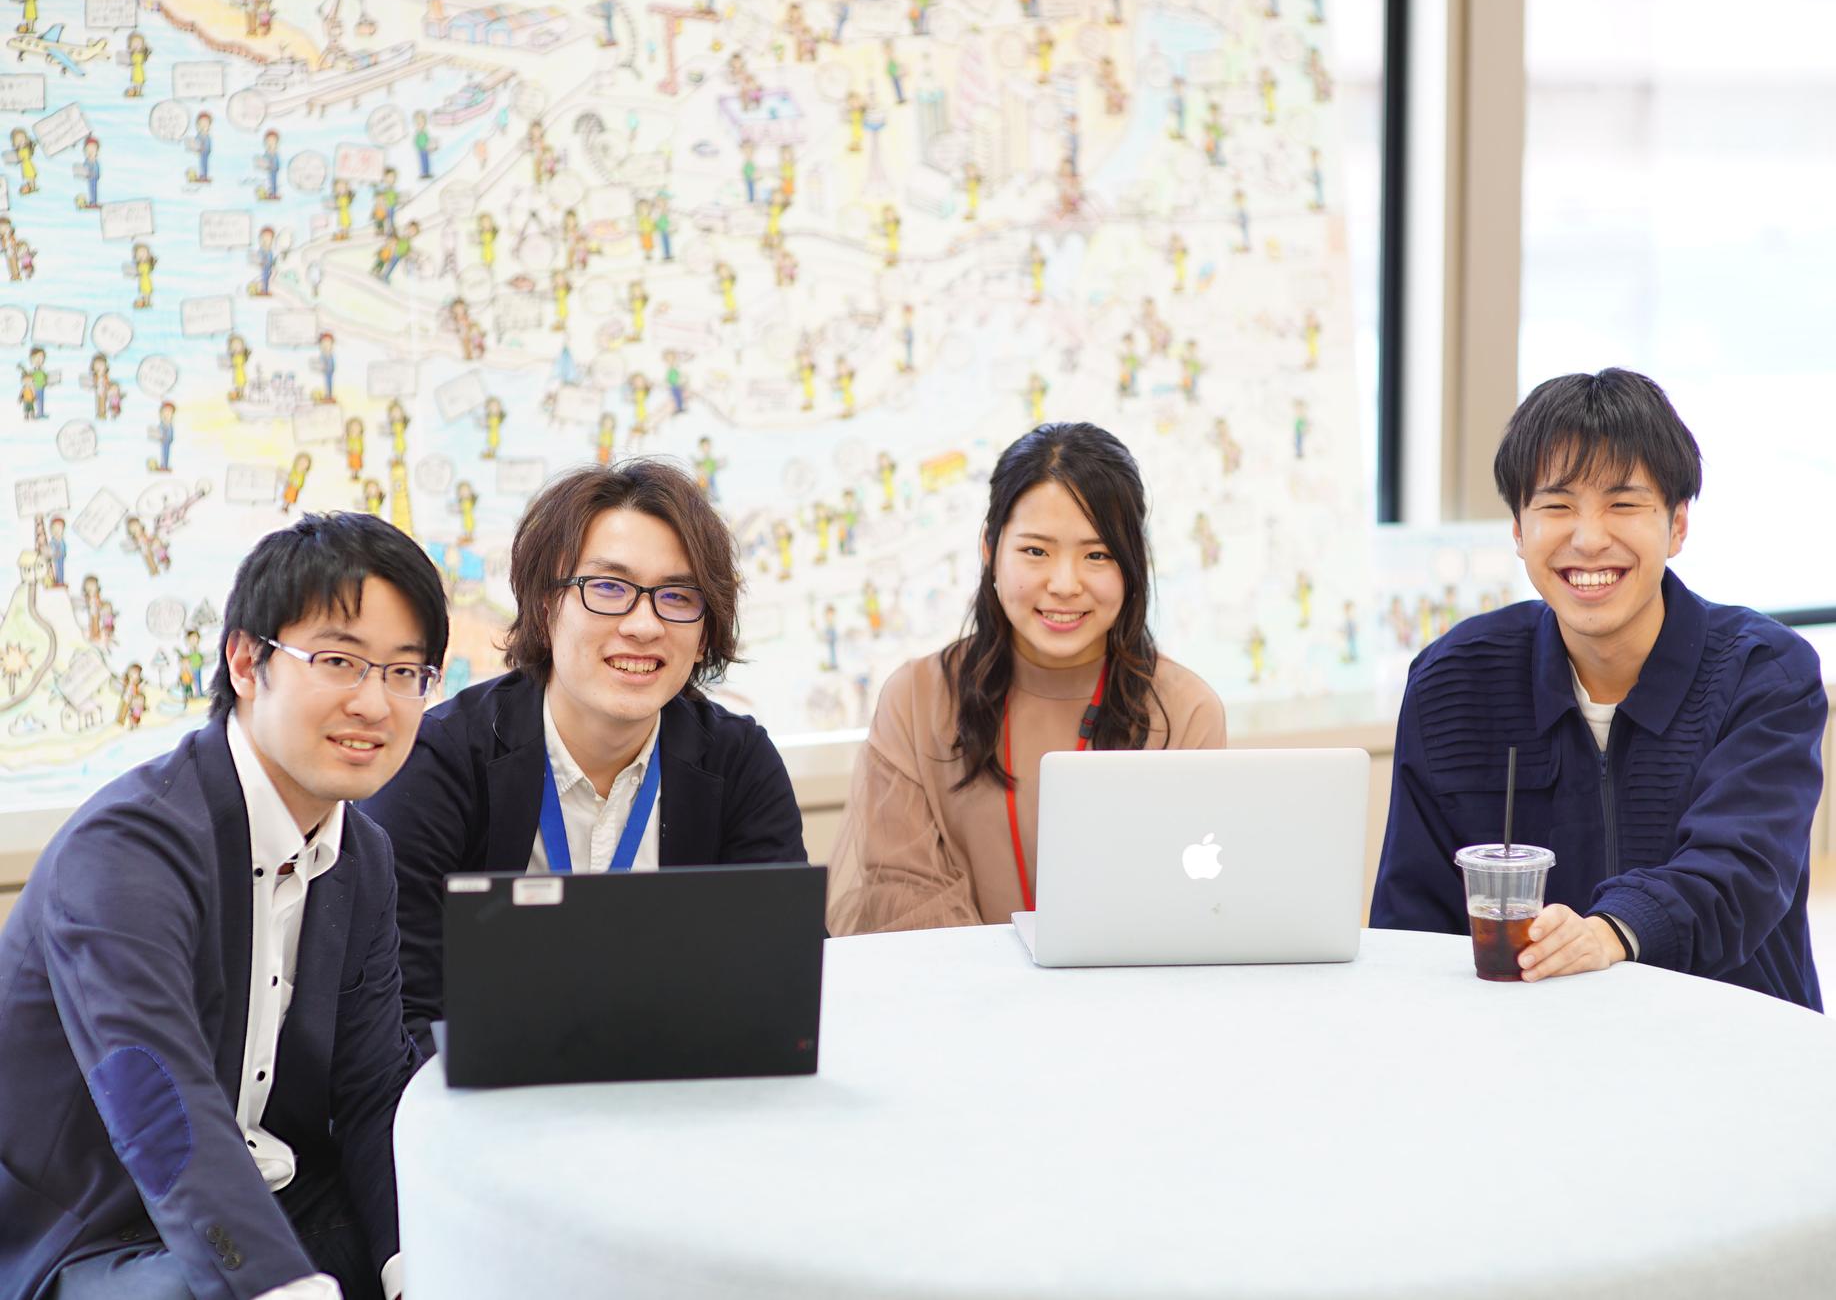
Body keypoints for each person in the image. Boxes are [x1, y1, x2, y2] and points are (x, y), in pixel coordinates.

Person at [0, 512, 448, 1300]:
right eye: (339, 661)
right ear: (246, 660)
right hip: (102, 1230)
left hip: (284, 1197)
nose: (375, 703)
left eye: (405, 671)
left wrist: (421, 1268)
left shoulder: (363, 853)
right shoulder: (126, 850)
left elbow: (375, 1089)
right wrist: (280, 1285)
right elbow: (158, 1102)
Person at [1369, 369, 1826, 1009]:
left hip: (1728, 1031)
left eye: (1623, 504)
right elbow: (1410, 918)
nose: (1588, 539)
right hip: (1518, 1040)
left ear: (1678, 525)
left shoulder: (1764, 673)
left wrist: (1610, 933)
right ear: (1518, 529)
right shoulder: (1453, 681)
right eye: (1557, 506)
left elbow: (1739, 876)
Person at [365, 459, 807, 1053]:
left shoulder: (738, 764)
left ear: (704, 632)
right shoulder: (439, 763)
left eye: (678, 596)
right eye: (608, 589)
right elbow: (402, 1012)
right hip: (485, 1094)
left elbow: (781, 987)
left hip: (682, 1088)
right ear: (546, 605)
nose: (644, 625)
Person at [826, 421, 1226, 935]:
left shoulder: (1185, 711)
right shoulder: (916, 700)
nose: (1064, 584)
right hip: (959, 984)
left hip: (1126, 983)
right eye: (1036, 551)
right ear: (989, 549)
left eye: (1097, 555)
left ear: (1132, 566)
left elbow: (1184, 904)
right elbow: (905, 897)